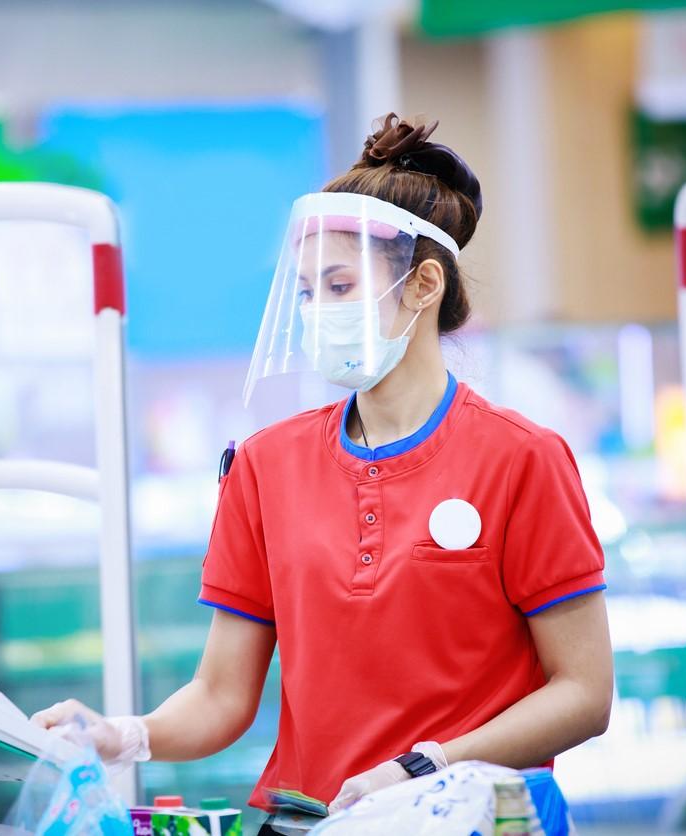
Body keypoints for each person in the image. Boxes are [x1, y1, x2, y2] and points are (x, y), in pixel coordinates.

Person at [31, 113, 614, 830]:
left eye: (339, 286)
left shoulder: (522, 459)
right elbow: (220, 696)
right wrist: (125, 734)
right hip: (304, 821)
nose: (316, 312)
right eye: (305, 292)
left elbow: (584, 693)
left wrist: (425, 766)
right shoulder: (266, 466)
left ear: (425, 285)